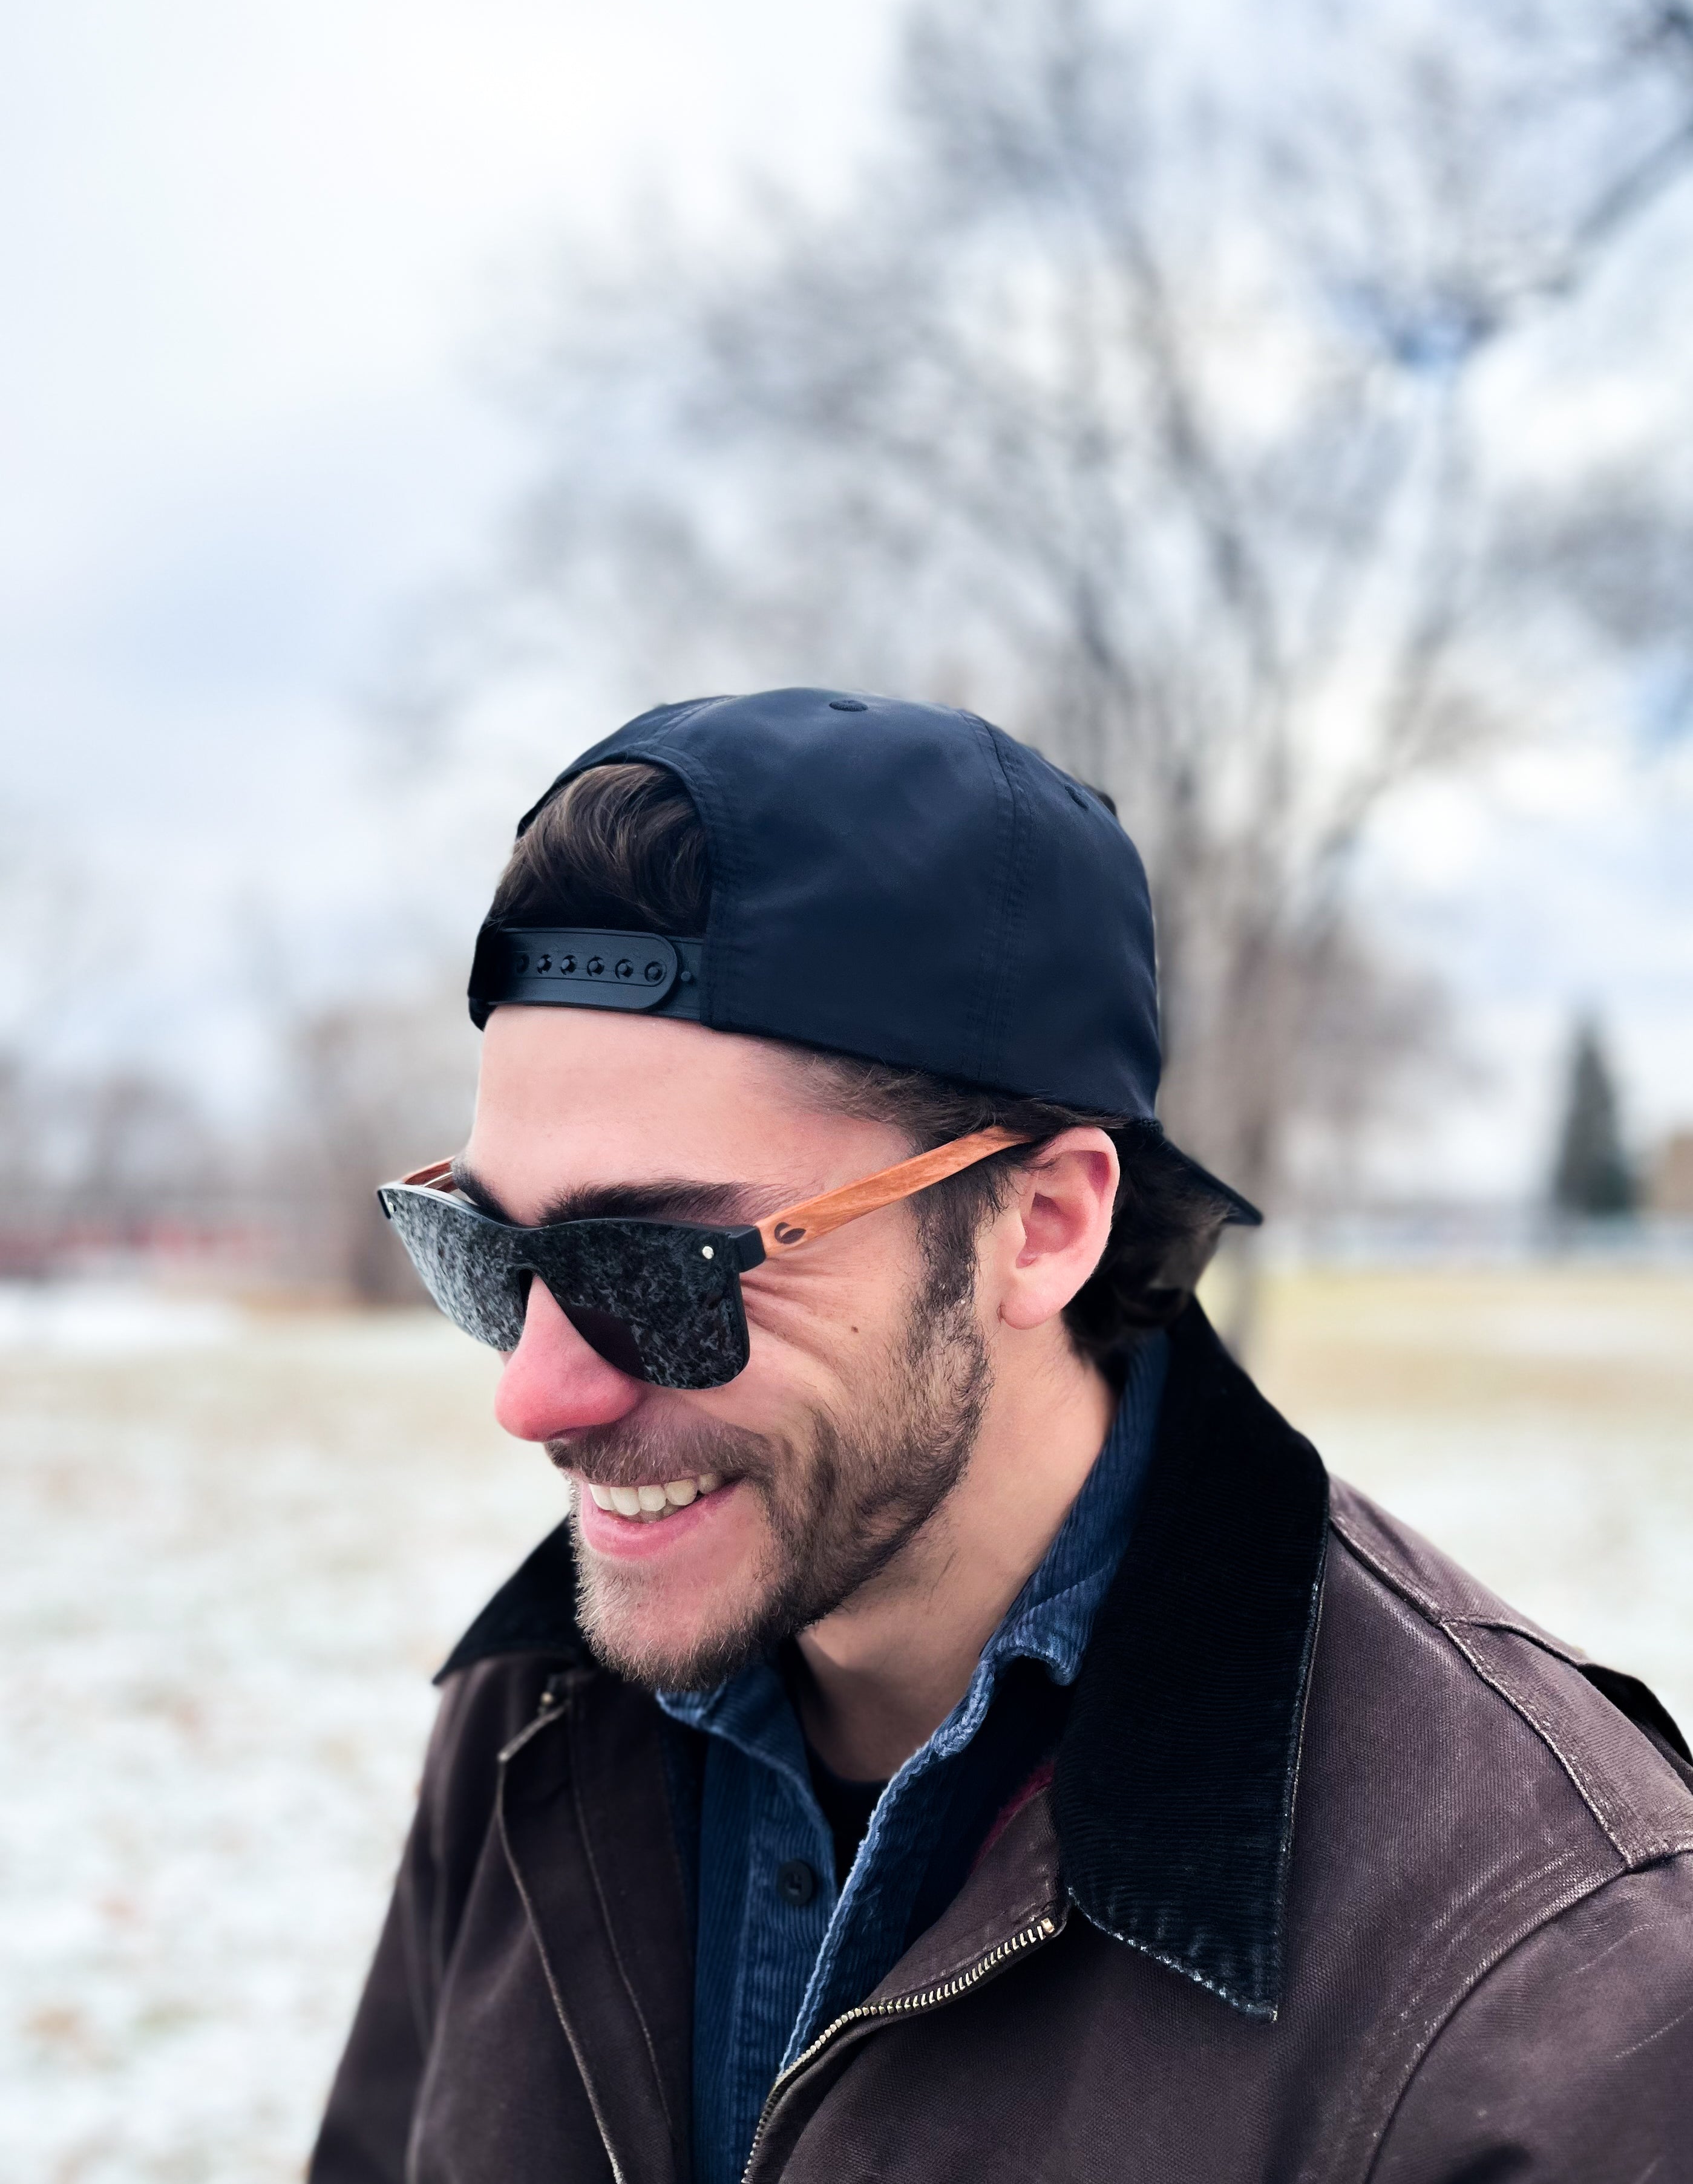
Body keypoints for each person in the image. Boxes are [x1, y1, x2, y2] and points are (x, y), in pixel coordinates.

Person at [310, 690, 1693, 2184]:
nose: (534, 1395)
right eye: (486, 1258)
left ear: (1043, 1227)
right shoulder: (537, 1711)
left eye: (659, 1271)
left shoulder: (1545, 1976)